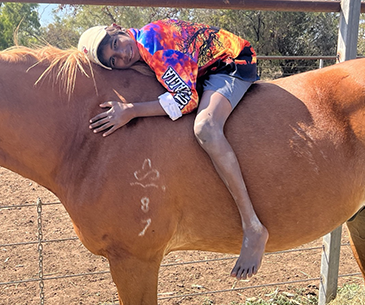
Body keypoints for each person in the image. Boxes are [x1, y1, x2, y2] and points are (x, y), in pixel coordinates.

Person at [78, 19, 268, 280]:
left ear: (116, 27)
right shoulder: (142, 42)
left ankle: (253, 227)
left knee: (207, 128)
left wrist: (131, 111)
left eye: (115, 44)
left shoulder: (152, 47)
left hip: (233, 62)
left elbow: (186, 98)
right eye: (113, 61)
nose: (122, 55)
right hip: (205, 66)